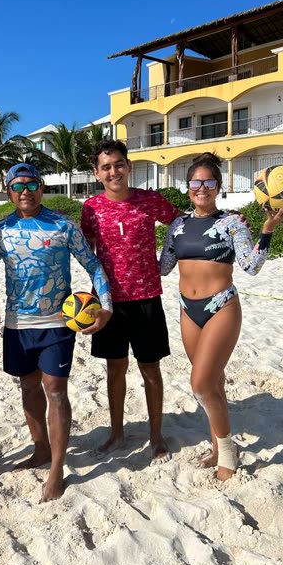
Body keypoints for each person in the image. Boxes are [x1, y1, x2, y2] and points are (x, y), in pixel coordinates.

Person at [158, 152, 283, 480]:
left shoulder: (232, 223)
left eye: (209, 182)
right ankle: (218, 447)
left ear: (219, 187)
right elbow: (162, 268)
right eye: (196, 182)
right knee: (214, 381)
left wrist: (267, 230)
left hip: (222, 307)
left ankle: (228, 454)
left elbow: (251, 266)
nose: (202, 187)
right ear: (187, 186)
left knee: (201, 384)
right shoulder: (178, 226)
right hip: (187, 311)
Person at [0, 162, 113, 502]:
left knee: (55, 390)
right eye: (18, 186)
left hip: (57, 323)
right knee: (28, 387)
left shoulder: (62, 225)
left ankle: (57, 468)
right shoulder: (2, 231)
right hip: (17, 324)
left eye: (32, 184)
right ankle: (41, 449)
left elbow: (93, 264)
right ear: (9, 192)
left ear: (42, 188)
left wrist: (106, 308)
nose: (25, 191)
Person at [80, 139, 180, 461]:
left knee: (151, 370)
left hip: (147, 297)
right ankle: (117, 433)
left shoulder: (149, 201)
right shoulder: (91, 208)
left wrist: (167, 261)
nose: (114, 171)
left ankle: (156, 436)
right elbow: (87, 254)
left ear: (128, 166)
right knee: (115, 370)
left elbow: (181, 225)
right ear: (97, 173)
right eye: (106, 167)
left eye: (118, 164)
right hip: (108, 303)